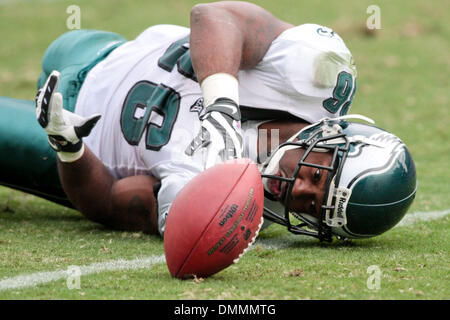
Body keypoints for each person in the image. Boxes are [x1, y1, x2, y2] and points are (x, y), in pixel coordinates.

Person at [1, 1, 417, 242]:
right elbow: (214, 15)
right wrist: (222, 108)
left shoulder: (229, 207)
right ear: (334, 138)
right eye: (316, 176)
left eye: (312, 207)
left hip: (72, 133)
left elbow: (111, 200)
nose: (298, 191)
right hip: (100, 48)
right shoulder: (319, 81)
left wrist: (68, 146)